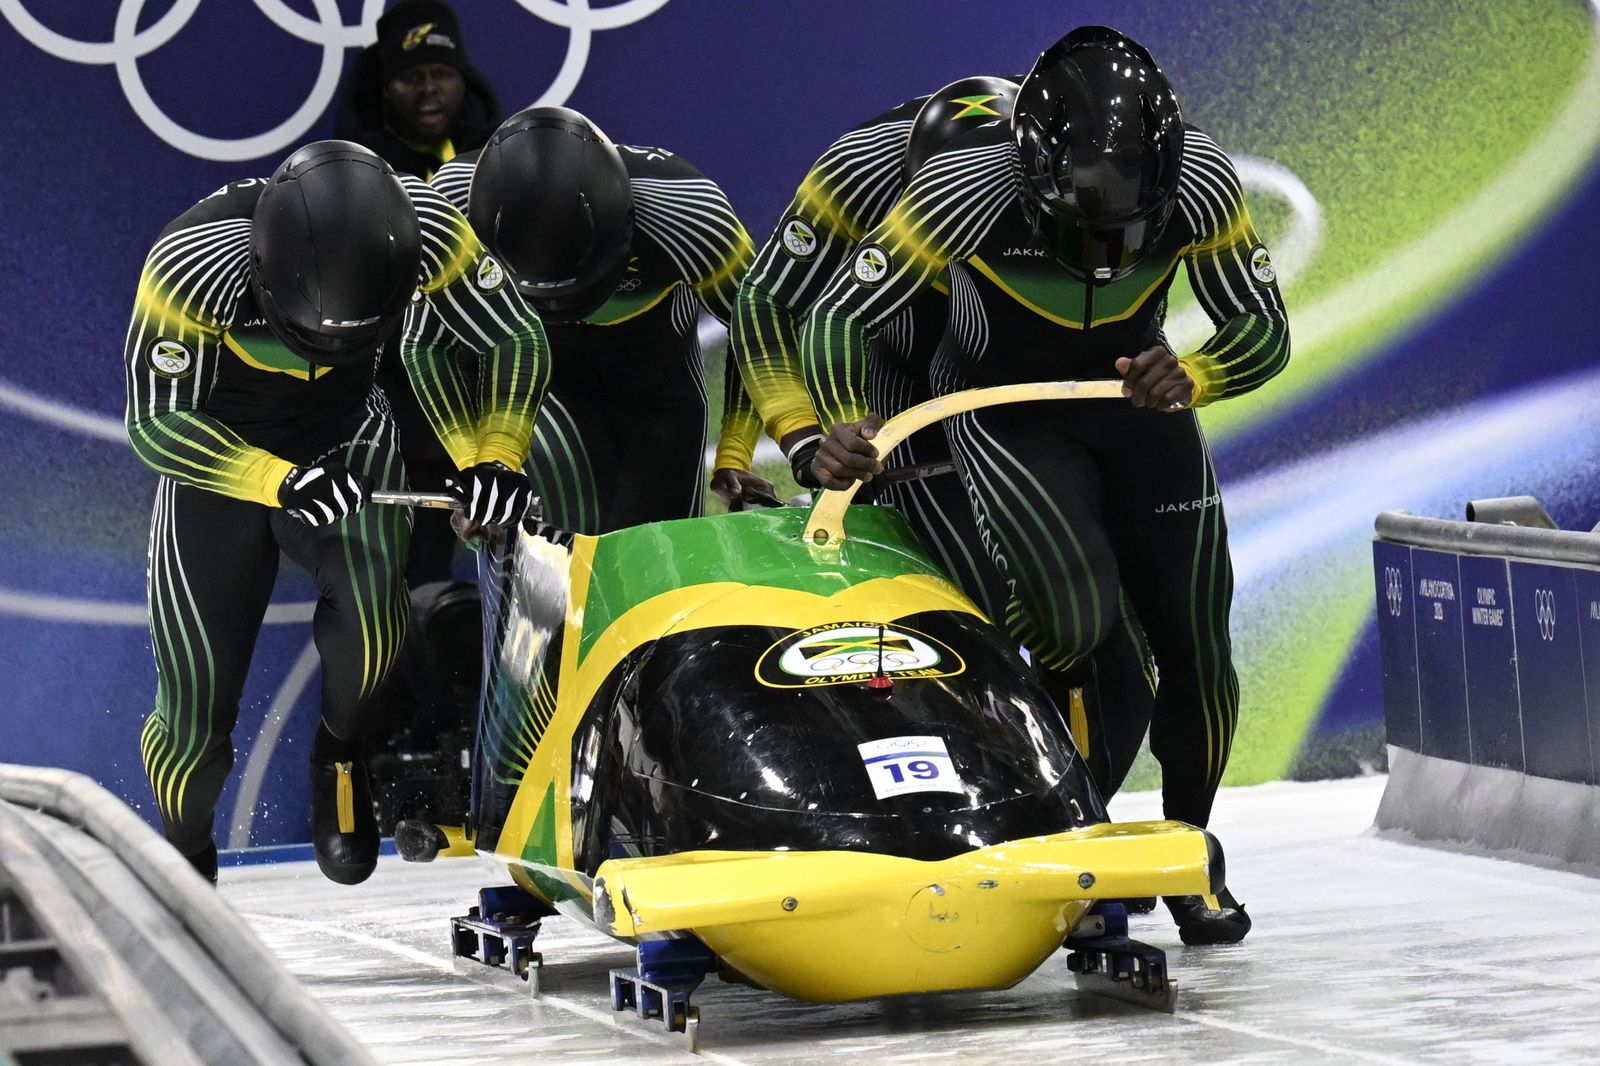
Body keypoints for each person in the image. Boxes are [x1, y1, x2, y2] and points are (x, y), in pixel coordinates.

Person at [802, 27, 1290, 944]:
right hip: (1002, 411)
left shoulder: (1207, 187)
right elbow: (835, 311)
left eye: (1129, 231)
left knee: (1198, 653)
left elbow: (1262, 328)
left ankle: (1192, 858)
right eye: (1080, 229)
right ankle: (1070, 843)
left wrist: (1196, 375)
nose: (1105, 255)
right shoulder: (958, 190)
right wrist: (842, 421)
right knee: (1075, 619)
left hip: (1140, 413)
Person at [124, 140, 548, 885]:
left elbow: (515, 335)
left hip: (349, 436)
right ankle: (185, 859)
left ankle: (340, 751)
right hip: (219, 462)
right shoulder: (191, 263)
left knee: (372, 630)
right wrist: (276, 479)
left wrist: (496, 456)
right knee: (194, 728)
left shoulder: (434, 233)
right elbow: (153, 423)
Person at [732, 77, 1155, 802]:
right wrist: (813, 434)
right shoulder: (852, 175)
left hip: (1029, 380)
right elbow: (768, 303)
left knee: (1108, 636)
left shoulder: (1073, 165)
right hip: (906, 385)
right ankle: (977, 810)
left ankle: (1077, 818)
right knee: (968, 622)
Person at [432, 106, 773, 533]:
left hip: (659, 391)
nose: (563, 305)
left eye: (578, 287)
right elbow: (428, 345)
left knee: (651, 561)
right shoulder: (448, 209)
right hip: (540, 385)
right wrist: (478, 466)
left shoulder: (690, 213)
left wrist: (735, 454)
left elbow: (761, 327)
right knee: (551, 552)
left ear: (627, 224)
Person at [336, 0, 505, 586]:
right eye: (411, 78)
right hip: (401, 411)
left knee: (525, 575)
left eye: (442, 74)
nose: (429, 91)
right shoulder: (353, 173)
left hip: (499, 400)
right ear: (384, 89)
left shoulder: (502, 158)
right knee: (405, 585)